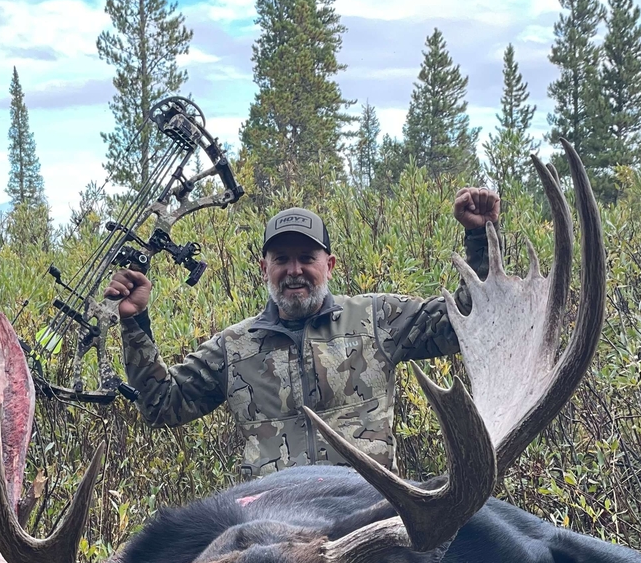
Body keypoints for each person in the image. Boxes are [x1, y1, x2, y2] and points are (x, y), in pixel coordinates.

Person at [104, 189, 501, 479]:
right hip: (276, 525)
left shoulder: (377, 318)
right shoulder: (234, 348)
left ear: (328, 264)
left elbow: (466, 321)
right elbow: (162, 405)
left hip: (370, 513)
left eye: (307, 258)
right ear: (264, 268)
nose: (294, 270)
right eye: (282, 259)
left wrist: (480, 238)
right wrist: (136, 322)